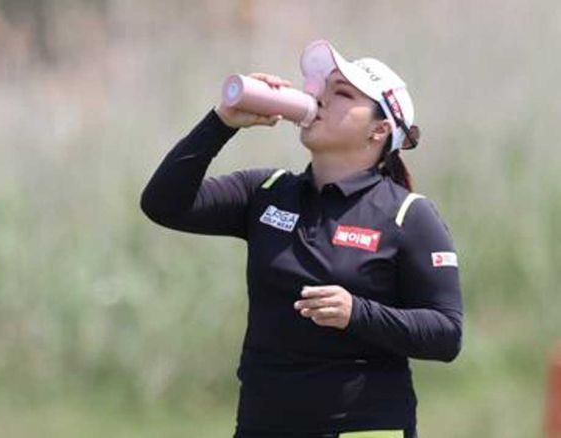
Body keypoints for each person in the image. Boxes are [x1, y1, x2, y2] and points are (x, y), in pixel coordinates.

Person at [139, 39, 463, 438]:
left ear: (379, 130)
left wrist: (356, 312)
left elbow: (446, 334)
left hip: (364, 429)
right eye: (323, 88)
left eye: (342, 93)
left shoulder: (410, 215)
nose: (320, 97)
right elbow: (162, 205)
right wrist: (222, 121)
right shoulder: (266, 190)